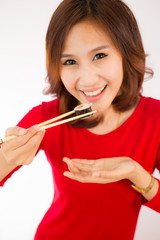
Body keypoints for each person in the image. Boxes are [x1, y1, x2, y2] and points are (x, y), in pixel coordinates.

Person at [0, 0, 160, 239]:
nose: (87, 80)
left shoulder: (154, 118)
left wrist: (137, 174)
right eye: (70, 62)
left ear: (126, 53)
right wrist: (5, 157)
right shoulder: (46, 118)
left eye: (100, 55)